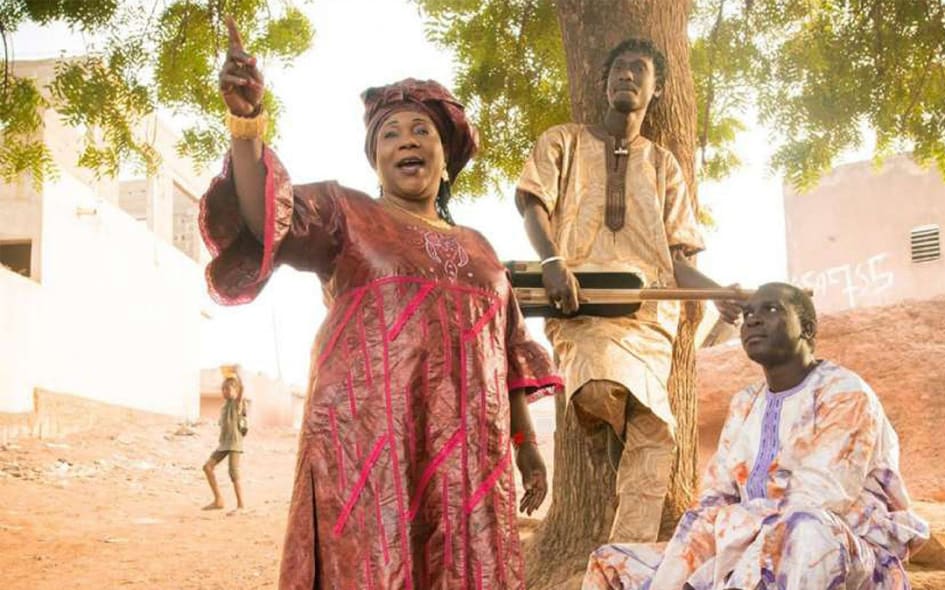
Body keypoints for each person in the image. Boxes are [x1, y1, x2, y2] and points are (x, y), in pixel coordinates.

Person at [202, 17, 561, 589]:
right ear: (375, 159)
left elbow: (510, 359)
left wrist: (527, 448)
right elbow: (262, 216)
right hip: (368, 450)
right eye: (391, 134)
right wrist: (247, 127)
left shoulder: (484, 252)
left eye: (423, 131)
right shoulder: (346, 213)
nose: (408, 141)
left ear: (446, 157)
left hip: (470, 464)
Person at [515, 38, 736, 543]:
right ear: (604, 81)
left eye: (640, 70)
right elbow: (532, 205)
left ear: (656, 91)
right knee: (597, 386)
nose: (628, 76)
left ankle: (626, 559)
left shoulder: (663, 166)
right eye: (619, 68)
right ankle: (614, 441)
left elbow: (679, 259)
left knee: (655, 431)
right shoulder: (562, 141)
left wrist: (720, 291)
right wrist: (552, 261)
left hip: (648, 318)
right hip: (580, 305)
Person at [583, 283, 929, 589]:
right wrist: (693, 570)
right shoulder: (745, 403)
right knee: (611, 561)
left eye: (772, 309)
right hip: (740, 544)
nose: (753, 319)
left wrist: (728, 542)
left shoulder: (845, 394)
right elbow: (715, 497)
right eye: (748, 313)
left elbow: (816, 499)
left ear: (807, 328)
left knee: (803, 529)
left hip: (840, 550)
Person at [202, 375, 247, 511]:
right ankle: (218, 500)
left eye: (228, 389)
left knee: (233, 473)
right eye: (223, 389)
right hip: (224, 444)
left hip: (234, 443)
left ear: (235, 390)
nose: (225, 392)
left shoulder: (236, 404)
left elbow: (242, 389)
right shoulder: (224, 407)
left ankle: (241, 506)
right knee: (207, 467)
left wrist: (238, 374)